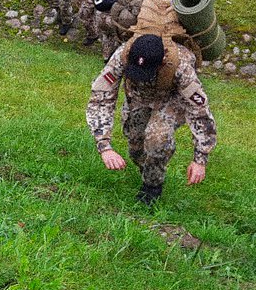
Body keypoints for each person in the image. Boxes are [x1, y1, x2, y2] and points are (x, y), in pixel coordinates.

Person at [87, 35, 217, 204]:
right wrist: (104, 146)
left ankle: (152, 187)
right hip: (138, 98)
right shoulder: (122, 56)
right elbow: (100, 98)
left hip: (169, 100)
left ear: (162, 61)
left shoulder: (181, 66)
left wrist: (200, 159)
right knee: (136, 146)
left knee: (157, 138)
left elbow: (200, 111)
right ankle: (148, 169)